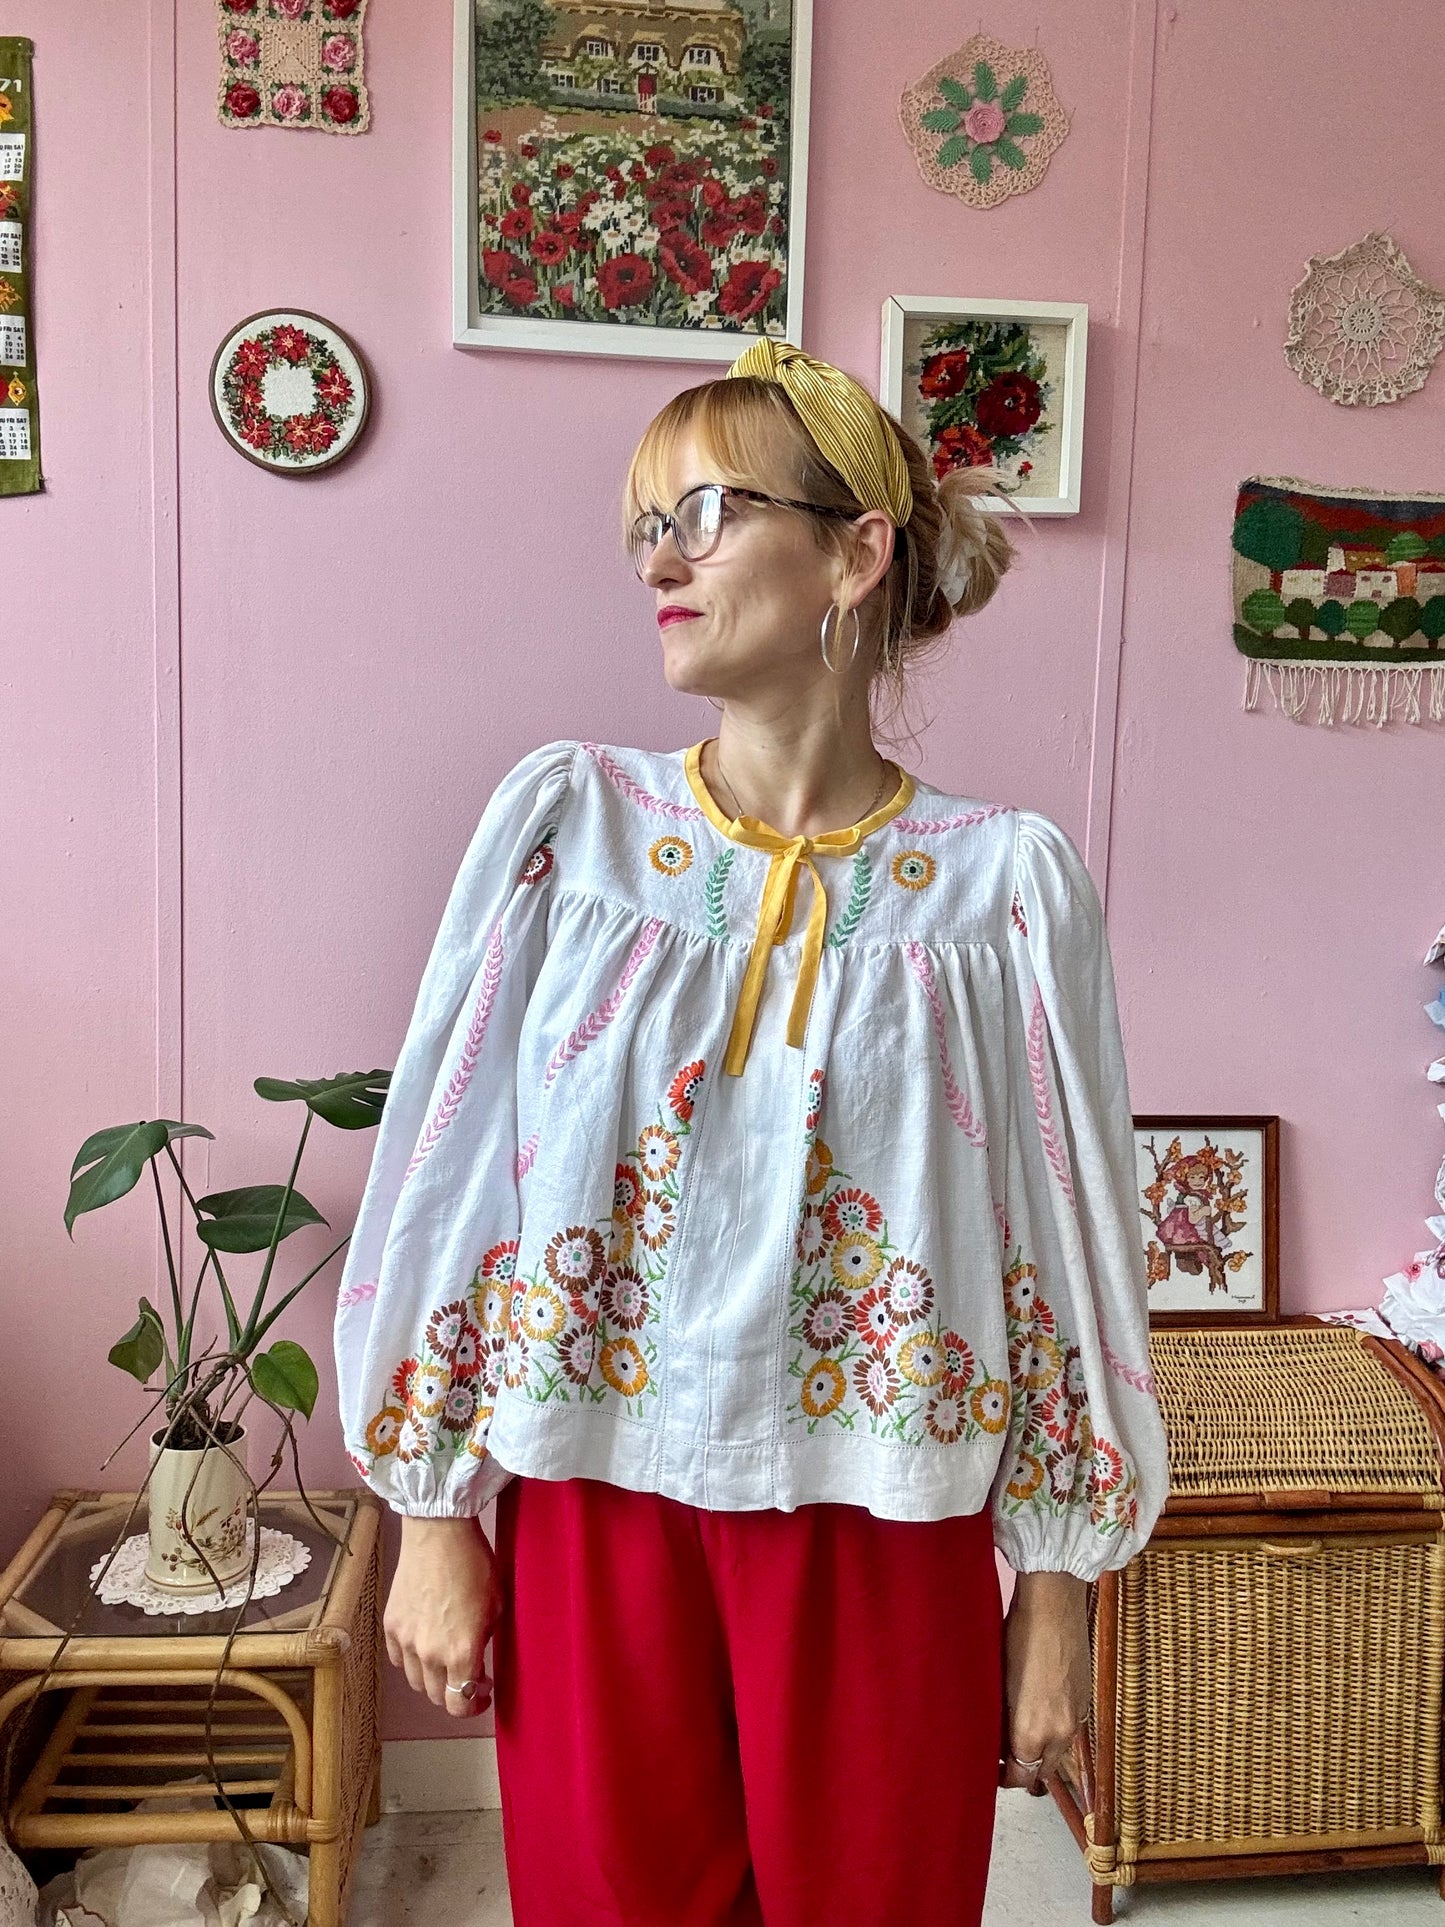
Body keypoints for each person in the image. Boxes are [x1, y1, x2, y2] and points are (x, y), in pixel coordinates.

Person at [333, 339, 1168, 1926]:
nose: (661, 560)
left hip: (889, 1514)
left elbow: (1066, 1251)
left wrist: (1055, 1588)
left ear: (856, 553)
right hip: (594, 1494)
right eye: (646, 523)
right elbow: (450, 1176)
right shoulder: (571, 834)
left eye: (706, 514)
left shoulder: (999, 891)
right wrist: (431, 1511)